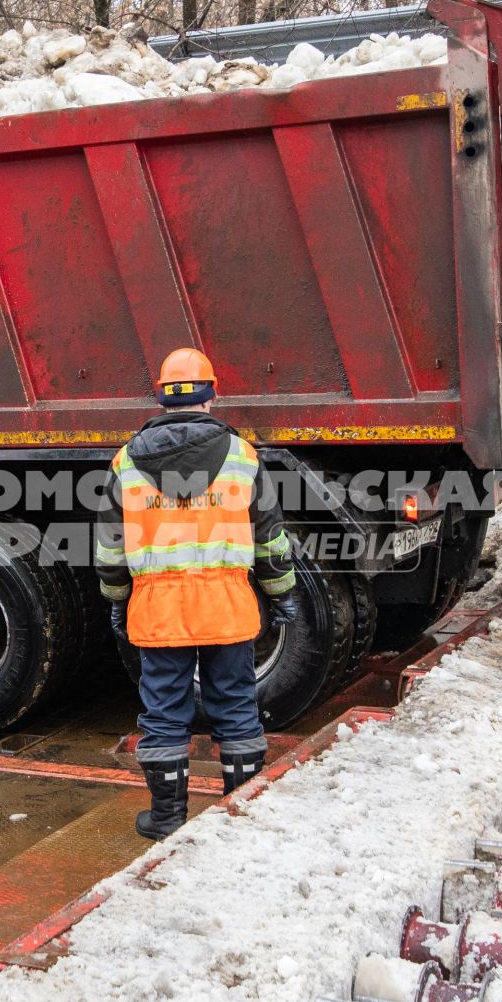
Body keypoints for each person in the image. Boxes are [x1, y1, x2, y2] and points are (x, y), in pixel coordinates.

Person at [94, 347, 300, 840]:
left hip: (159, 613)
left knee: (164, 712)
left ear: (162, 397)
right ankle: (241, 813)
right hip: (227, 611)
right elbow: (271, 538)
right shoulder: (241, 457)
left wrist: (118, 599)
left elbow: (110, 548)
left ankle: (166, 817)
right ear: (212, 395)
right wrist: (281, 593)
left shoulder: (125, 462)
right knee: (236, 706)